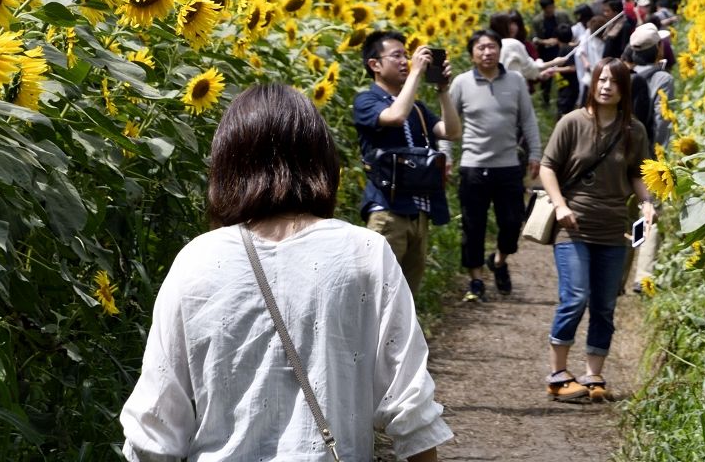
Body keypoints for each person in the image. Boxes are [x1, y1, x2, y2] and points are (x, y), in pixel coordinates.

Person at [121, 84, 453, 460]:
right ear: (323, 161)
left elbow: (156, 427)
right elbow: (411, 407)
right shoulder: (364, 253)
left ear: (227, 164)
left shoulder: (196, 259)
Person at [538, 60, 657, 403]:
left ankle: (593, 375)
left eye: (614, 82)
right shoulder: (572, 122)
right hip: (573, 226)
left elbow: (637, 173)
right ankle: (558, 373)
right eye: (601, 79)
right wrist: (560, 205)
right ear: (593, 83)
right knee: (575, 296)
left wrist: (647, 202)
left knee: (605, 304)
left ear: (624, 90)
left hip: (613, 228)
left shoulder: (633, 130)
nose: (606, 86)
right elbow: (548, 168)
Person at [354, 30, 457, 292]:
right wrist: (416, 73)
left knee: (406, 298)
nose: (405, 62)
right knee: (378, 294)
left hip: (420, 213)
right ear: (374, 65)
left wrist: (443, 90)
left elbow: (453, 132)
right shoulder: (366, 100)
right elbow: (395, 116)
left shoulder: (418, 108)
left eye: (407, 56)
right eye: (397, 56)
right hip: (388, 210)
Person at [448, 28, 542, 301]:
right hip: (473, 165)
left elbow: (528, 120)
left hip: (508, 165)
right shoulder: (461, 83)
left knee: (512, 222)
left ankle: (499, 261)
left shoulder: (515, 81)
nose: (487, 52)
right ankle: (476, 280)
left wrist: (535, 153)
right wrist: (446, 156)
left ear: (500, 51)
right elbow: (449, 123)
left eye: (492, 47)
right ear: (472, 54)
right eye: (481, 48)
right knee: (472, 225)